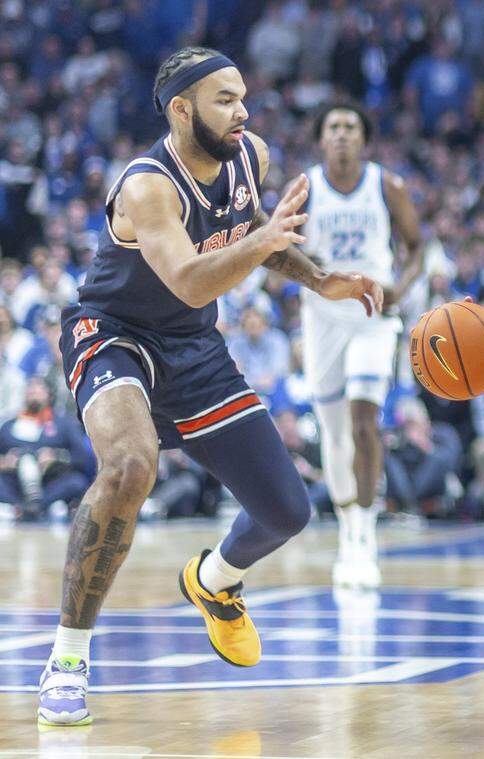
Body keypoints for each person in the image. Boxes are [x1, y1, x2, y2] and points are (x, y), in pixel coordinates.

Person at [38, 47, 383, 727]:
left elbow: (258, 232)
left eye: (243, 96)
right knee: (130, 464)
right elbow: (192, 277)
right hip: (114, 334)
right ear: (180, 108)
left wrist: (320, 279)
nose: (243, 111)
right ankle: (68, 659)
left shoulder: (246, 154)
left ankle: (214, 581)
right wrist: (263, 245)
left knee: (288, 511)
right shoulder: (146, 184)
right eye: (226, 98)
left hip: (194, 346)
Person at [301, 101, 424, 588]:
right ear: (321, 139)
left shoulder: (386, 186)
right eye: (333, 127)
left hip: (374, 317)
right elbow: (279, 244)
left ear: (365, 140)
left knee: (363, 415)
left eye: (351, 127)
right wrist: (307, 267)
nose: (343, 134)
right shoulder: (306, 187)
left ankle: (366, 531)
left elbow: (417, 246)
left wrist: (402, 285)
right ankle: (347, 523)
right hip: (322, 320)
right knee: (333, 432)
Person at [0, 377, 94, 521]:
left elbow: (83, 458)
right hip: (15, 481)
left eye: (39, 389)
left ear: (50, 394)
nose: (33, 392)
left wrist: (56, 458)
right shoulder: (9, 425)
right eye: (30, 389)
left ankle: (33, 507)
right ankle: (22, 506)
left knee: (76, 482)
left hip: (49, 481)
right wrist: (5, 462)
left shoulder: (64, 424)